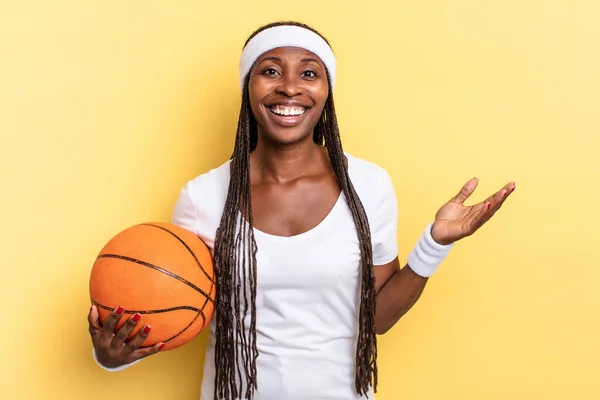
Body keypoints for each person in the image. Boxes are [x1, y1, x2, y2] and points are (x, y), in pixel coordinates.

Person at [87, 21, 515, 400]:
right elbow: (176, 305)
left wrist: (434, 245)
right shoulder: (204, 197)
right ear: (247, 87)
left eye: (309, 73)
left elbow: (379, 320)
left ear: (326, 93)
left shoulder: (367, 185)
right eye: (270, 70)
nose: (290, 87)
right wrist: (114, 357)